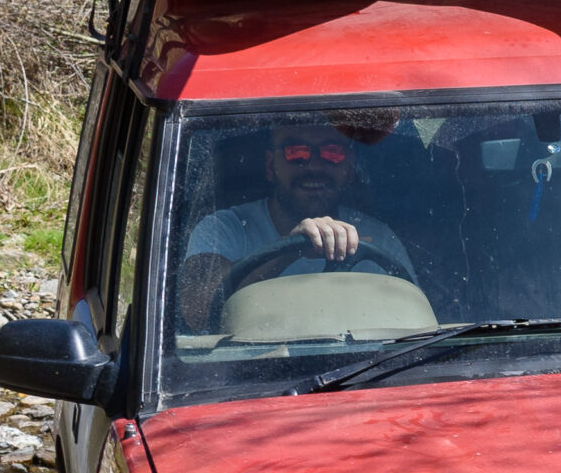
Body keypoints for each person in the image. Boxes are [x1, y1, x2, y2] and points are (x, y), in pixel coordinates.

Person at [177, 120, 418, 329]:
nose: (314, 166)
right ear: (271, 166)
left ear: (349, 167)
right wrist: (289, 250)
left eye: (332, 153)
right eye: (297, 153)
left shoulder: (378, 236)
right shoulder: (225, 228)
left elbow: (415, 325)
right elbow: (197, 312)